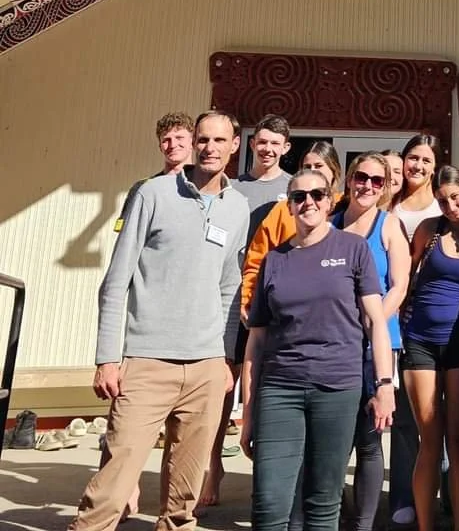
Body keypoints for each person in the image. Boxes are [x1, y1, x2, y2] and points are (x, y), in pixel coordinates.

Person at [70, 112, 248, 531]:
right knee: (110, 491)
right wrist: (107, 358)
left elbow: (229, 287)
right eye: (203, 139)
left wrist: (223, 358)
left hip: (205, 367)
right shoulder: (153, 194)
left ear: (234, 145)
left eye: (220, 140)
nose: (210, 148)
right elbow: (116, 282)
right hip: (146, 363)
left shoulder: (238, 207)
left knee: (182, 502)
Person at [241, 167, 395, 531]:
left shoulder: (353, 249)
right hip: (280, 388)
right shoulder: (274, 260)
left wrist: (385, 384)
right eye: (299, 197)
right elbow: (256, 342)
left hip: (338, 386)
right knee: (268, 502)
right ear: (290, 206)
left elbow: (375, 322)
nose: (308, 202)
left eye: (317, 195)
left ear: (329, 202)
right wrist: (248, 414)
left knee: (323, 502)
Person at [200, 113, 294, 511]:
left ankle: (269, 473)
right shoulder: (233, 188)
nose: (268, 148)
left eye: (276, 143)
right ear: (250, 144)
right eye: (263, 141)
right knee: (222, 385)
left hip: (273, 304)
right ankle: (211, 467)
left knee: (269, 390)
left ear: (287, 148)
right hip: (229, 301)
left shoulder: (297, 190)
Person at [105, 111, 195, 521]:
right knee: (124, 432)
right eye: (166, 139)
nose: (173, 144)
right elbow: (124, 260)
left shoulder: (207, 194)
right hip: (143, 337)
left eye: (180, 137)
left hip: (191, 340)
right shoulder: (144, 190)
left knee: (183, 443)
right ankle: (122, 494)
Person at [400, 165, 459, 531]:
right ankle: (425, 525)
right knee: (428, 440)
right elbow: (405, 280)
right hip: (420, 342)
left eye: (456, 197)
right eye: (443, 200)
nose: (450, 205)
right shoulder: (429, 231)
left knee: (457, 441)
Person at [335, 153, 411, 531]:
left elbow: (399, 284)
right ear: (350, 180)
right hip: (333, 343)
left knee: (368, 438)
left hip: (376, 346)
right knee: (333, 438)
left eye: (377, 181)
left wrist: (375, 320)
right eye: (361, 177)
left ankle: (363, 524)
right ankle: (331, 514)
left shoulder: (389, 225)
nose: (367, 185)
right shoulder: (329, 222)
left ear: (384, 187)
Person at [389, 133, 443, 526]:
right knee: (407, 415)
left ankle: (444, 494)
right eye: (412, 158)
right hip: (397, 320)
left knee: (440, 413)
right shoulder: (388, 205)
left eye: (425, 160)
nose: (418, 166)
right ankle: (403, 497)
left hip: (438, 323)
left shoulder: (445, 207)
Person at [241, 141, 344, 318]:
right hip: (285, 310)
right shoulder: (284, 209)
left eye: (319, 165)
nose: (313, 170)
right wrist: (248, 300)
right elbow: (257, 261)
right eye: (307, 166)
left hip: (334, 313)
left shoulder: (346, 206)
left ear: (334, 170)